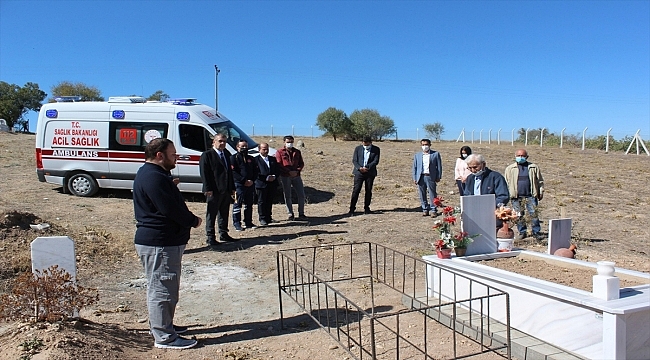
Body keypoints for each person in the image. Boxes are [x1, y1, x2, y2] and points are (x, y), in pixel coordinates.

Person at [133, 138, 201, 349]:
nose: (176, 158)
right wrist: (193, 220)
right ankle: (164, 337)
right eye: (173, 154)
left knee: (163, 288)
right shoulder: (154, 177)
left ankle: (164, 325)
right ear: (159, 155)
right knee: (162, 290)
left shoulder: (156, 175)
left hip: (162, 242)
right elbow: (170, 209)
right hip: (160, 243)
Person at [199, 134, 236, 247]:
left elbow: (229, 173)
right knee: (212, 214)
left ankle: (223, 233)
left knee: (224, 213)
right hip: (214, 190)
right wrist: (208, 188)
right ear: (214, 142)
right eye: (220, 141)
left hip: (225, 189)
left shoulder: (226, 154)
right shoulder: (207, 155)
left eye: (224, 141)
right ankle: (210, 237)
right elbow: (204, 173)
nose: (222, 143)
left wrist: (232, 188)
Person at [504, 149, 545, 240]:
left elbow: (540, 181)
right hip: (516, 196)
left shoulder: (533, 167)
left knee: (533, 214)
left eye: (522, 156)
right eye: (518, 156)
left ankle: (536, 232)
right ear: (515, 157)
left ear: (527, 157)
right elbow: (506, 182)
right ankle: (522, 232)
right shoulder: (510, 168)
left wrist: (540, 192)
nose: (520, 157)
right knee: (519, 215)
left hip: (530, 195)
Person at [463, 154, 509, 229]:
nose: (473, 170)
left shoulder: (495, 177)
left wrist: (488, 206)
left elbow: (503, 196)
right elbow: (467, 195)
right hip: (475, 213)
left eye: (475, 167)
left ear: (483, 164)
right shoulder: (470, 178)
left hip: (491, 214)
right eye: (470, 168)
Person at [230, 140, 259, 231]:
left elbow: (256, 170)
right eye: (242, 146)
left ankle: (248, 222)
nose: (244, 148)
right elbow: (233, 172)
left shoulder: (251, 158)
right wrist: (243, 180)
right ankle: (237, 223)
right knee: (238, 204)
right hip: (239, 184)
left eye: (246, 146)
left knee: (249, 204)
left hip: (250, 184)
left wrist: (252, 180)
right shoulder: (233, 158)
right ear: (237, 147)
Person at [276, 135, 307, 220]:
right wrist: (288, 172)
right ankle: (290, 213)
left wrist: (297, 171)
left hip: (296, 176)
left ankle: (301, 213)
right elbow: (279, 164)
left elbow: (301, 163)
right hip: (285, 176)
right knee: (287, 195)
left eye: (291, 142)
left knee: (301, 195)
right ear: (284, 142)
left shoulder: (297, 152)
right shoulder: (280, 152)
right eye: (288, 142)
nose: (290, 143)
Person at [348, 136, 380, 216]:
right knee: (356, 190)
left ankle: (366, 208)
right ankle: (352, 209)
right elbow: (354, 160)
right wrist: (359, 168)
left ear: (370, 142)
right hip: (359, 173)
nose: (365, 144)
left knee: (368, 190)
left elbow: (376, 161)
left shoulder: (376, 149)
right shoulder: (358, 149)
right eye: (363, 143)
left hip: (370, 173)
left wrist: (367, 167)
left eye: (366, 143)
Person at [412, 138, 442, 217]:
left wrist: (438, 176)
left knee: (432, 194)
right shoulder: (417, 155)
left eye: (426, 145)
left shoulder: (435, 154)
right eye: (423, 145)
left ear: (430, 145)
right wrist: (415, 177)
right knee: (422, 194)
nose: (425, 146)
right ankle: (425, 209)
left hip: (430, 176)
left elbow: (439, 166)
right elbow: (414, 167)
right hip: (420, 176)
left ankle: (433, 210)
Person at [255, 142, 279, 226]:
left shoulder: (272, 159)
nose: (266, 151)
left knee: (269, 200)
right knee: (262, 201)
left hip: (272, 184)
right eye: (264, 149)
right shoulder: (256, 160)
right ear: (259, 150)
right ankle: (262, 218)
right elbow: (255, 173)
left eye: (267, 149)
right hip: (261, 184)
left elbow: (277, 170)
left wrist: (274, 176)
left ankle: (269, 217)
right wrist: (265, 178)